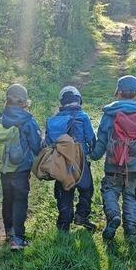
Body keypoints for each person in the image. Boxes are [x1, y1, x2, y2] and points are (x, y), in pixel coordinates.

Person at [90, 75, 136, 240]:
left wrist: (94, 155)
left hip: (113, 164)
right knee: (129, 195)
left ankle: (113, 215)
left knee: (109, 190)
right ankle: (131, 231)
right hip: (135, 165)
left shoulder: (109, 114)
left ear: (118, 93)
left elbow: (101, 139)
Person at [0, 84, 42, 251]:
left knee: (7, 198)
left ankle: (9, 231)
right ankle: (18, 239)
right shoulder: (29, 122)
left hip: (4, 170)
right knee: (20, 200)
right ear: (24, 103)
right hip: (21, 170)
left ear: (7, 101)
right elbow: (37, 147)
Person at [45, 86, 97, 232]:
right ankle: (82, 215)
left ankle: (63, 224)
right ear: (79, 100)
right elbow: (91, 139)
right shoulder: (83, 117)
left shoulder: (53, 120)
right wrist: (91, 153)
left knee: (64, 192)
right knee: (87, 189)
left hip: (61, 162)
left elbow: (48, 143)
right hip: (80, 161)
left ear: (61, 102)